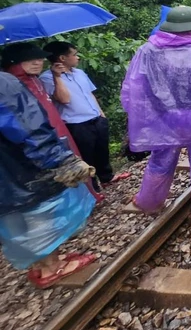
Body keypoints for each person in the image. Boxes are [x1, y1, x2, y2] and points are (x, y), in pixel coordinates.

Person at [122, 6, 191, 224]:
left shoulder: (146, 51)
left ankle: (149, 202)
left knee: (160, 160)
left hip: (163, 119)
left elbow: (134, 87)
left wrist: (139, 115)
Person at [0, 70, 98, 288]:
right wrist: (60, 159)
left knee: (16, 219)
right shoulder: (4, 84)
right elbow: (27, 127)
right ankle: (51, 268)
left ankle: (39, 264)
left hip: (5, 177)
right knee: (39, 212)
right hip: (18, 168)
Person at [2, 43, 104, 200]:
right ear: (14, 62)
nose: (38, 63)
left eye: (39, 59)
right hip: (37, 146)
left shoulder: (35, 81)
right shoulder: (12, 87)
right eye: (30, 60)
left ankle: (89, 196)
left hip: (56, 132)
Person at [41, 41, 114, 186]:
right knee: (86, 156)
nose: (78, 57)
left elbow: (90, 93)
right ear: (62, 58)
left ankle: (107, 178)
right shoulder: (47, 78)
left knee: (102, 150)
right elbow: (64, 99)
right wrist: (57, 76)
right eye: (74, 55)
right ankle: (92, 187)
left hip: (95, 118)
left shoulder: (79, 73)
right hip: (77, 124)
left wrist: (101, 113)